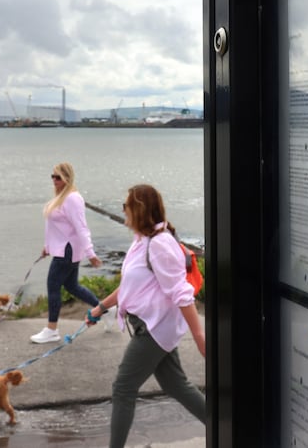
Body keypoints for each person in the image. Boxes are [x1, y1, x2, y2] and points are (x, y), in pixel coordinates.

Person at [85, 183, 205, 448]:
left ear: (137, 209)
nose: (123, 211)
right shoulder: (142, 241)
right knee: (176, 385)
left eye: (125, 206)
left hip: (154, 330)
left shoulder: (161, 245)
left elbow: (182, 294)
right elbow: (129, 285)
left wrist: (199, 336)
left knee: (123, 388)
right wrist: (100, 308)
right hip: (149, 326)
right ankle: (229, 427)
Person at [30, 162, 103, 344]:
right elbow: (54, 227)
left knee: (53, 286)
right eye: (53, 176)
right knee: (72, 286)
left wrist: (91, 253)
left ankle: (52, 329)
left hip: (68, 249)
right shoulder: (60, 198)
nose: (54, 180)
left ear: (67, 178)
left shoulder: (72, 198)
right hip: (62, 248)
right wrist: (47, 246)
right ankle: (104, 310)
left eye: (58, 177)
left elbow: (81, 227)